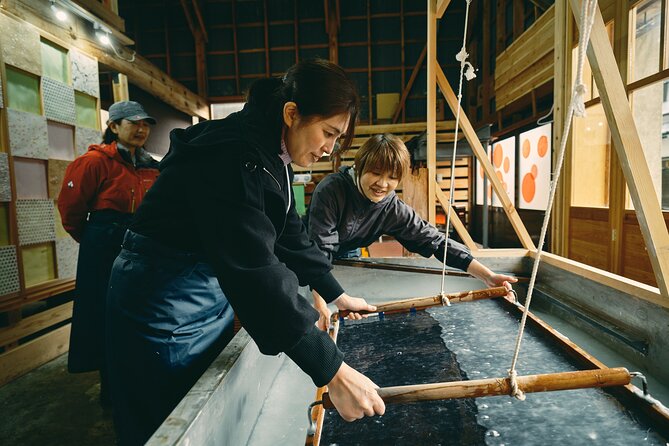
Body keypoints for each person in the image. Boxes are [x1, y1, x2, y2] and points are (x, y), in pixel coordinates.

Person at [105, 60, 386, 445]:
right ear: (292, 114)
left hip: (202, 287)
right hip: (161, 295)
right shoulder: (235, 156)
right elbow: (256, 272)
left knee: (202, 395)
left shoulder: (273, 152)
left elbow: (288, 234)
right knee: (166, 418)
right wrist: (332, 371)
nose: (329, 149)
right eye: (328, 133)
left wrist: (335, 292)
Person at [308, 133, 518, 328]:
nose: (382, 183)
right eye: (375, 173)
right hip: (307, 251)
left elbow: (435, 241)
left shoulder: (392, 208)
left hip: (349, 255)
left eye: (392, 177)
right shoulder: (331, 190)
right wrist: (319, 303)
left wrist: (488, 277)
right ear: (359, 166)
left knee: (352, 306)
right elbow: (318, 251)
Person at [58, 100, 159, 407]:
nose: (141, 129)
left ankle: (142, 385)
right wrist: (94, 242)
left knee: (141, 316)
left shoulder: (153, 164)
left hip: (142, 247)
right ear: (113, 127)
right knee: (106, 318)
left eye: (145, 124)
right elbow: (70, 211)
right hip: (104, 249)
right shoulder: (93, 162)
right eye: (133, 123)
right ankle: (111, 391)